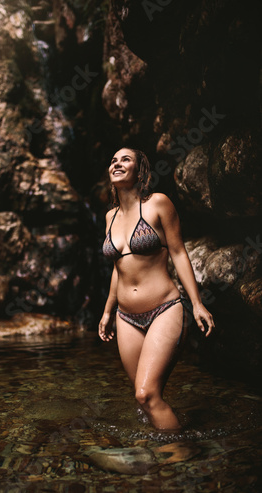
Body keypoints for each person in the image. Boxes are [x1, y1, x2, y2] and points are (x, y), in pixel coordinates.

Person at [98, 148, 215, 430]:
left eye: (125, 159)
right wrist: (106, 311)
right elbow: (119, 267)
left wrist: (197, 303)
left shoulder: (158, 204)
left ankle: (179, 461)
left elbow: (178, 253)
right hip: (125, 318)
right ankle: (160, 458)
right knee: (147, 397)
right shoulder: (109, 217)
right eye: (113, 160)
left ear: (140, 171)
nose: (117, 163)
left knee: (145, 393)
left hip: (165, 308)